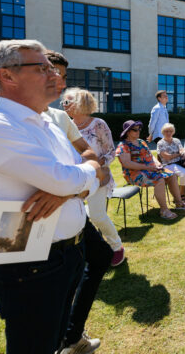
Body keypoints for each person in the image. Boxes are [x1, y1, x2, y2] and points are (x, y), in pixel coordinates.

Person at [0, 40, 108, 354]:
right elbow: (76, 176)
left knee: (51, 341)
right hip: (28, 262)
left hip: (67, 252)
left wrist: (73, 186)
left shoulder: (46, 124)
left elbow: (83, 181)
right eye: (43, 68)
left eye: (53, 68)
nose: (56, 75)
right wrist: (87, 170)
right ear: (7, 76)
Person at [45, 51, 113, 354]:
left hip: (73, 209)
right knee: (44, 292)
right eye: (49, 72)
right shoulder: (8, 121)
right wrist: (83, 179)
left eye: (62, 75)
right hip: (40, 223)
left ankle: (71, 336)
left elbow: (90, 155)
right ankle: (65, 337)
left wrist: (75, 185)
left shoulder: (59, 118)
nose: (57, 81)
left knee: (97, 257)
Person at [61, 87, 124, 262]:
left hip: (98, 177)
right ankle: (90, 251)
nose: (63, 106)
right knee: (79, 217)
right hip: (74, 179)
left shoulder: (98, 124)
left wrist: (96, 166)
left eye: (67, 102)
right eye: (63, 102)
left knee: (97, 216)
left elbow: (111, 151)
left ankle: (116, 246)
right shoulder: (65, 125)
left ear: (81, 103)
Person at [116, 120, 185, 219]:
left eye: (139, 129)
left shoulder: (141, 142)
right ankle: (164, 210)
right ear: (128, 132)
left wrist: (158, 163)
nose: (138, 131)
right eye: (135, 130)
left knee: (171, 175)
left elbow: (150, 155)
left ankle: (179, 203)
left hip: (150, 169)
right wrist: (148, 167)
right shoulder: (123, 145)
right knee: (159, 180)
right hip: (134, 173)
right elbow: (127, 164)